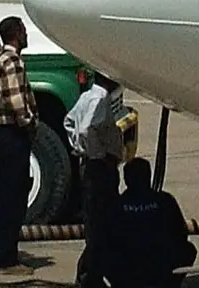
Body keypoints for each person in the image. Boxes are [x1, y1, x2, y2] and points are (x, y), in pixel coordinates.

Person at [0, 16, 42, 275]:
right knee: (13, 197)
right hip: (11, 136)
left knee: (0, 196)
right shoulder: (12, 61)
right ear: (17, 34)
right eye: (24, 31)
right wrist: (29, 123)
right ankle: (6, 258)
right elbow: (15, 100)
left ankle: (0, 250)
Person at [96, 158, 195, 288]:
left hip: (126, 269)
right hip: (160, 267)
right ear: (149, 176)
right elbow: (181, 232)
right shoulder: (164, 201)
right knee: (188, 249)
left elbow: (103, 237)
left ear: (126, 180)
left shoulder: (115, 206)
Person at [69, 73, 126, 286]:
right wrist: (98, 154)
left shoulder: (87, 97)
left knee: (96, 222)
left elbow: (70, 121)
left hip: (92, 165)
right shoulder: (99, 99)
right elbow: (87, 128)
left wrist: (78, 146)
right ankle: (89, 274)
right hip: (99, 168)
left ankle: (95, 272)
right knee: (101, 223)